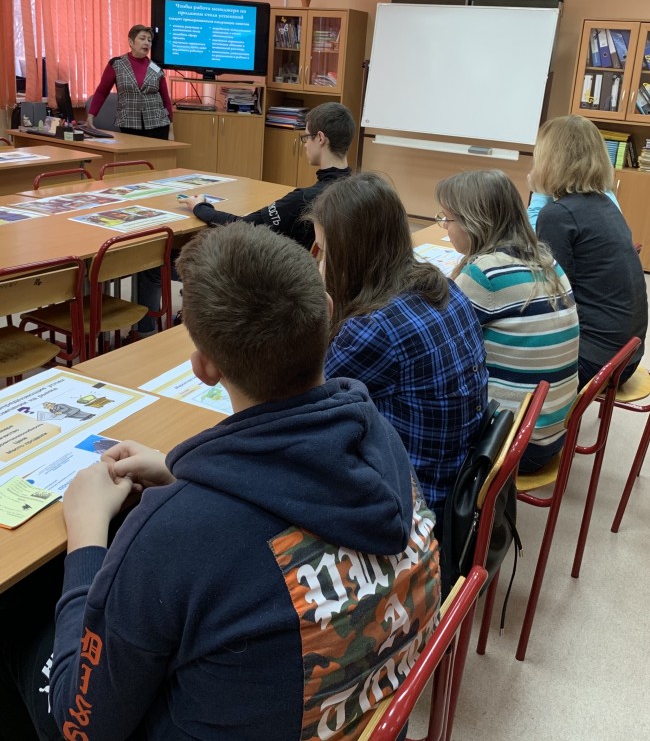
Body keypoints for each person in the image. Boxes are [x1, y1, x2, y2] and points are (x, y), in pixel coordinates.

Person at [0, 223, 440, 741]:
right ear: (326, 313)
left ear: (204, 367)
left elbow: (83, 726)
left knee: (16, 606)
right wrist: (184, 471)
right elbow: (293, 495)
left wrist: (86, 535)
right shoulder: (378, 438)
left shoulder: (171, 535)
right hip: (373, 719)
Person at [307, 171, 488, 530]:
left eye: (324, 251)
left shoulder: (373, 328)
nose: (319, 263)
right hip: (458, 481)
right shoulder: (444, 287)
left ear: (349, 255)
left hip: (414, 503)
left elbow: (304, 404)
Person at [136, 100, 355, 333]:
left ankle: (146, 333)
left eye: (306, 137)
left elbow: (242, 225)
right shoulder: (356, 189)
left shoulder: (304, 199)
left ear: (320, 138)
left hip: (270, 280)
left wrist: (200, 208)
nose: (305, 145)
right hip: (314, 288)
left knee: (154, 266)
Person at [435, 169, 580, 473]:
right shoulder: (546, 260)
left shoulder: (484, 275)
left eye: (448, 219)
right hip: (551, 431)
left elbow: (436, 344)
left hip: (511, 445)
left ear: (474, 223)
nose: (445, 227)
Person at [531, 115, 647, 390]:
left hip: (595, 363)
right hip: (627, 356)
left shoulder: (558, 214)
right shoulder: (605, 204)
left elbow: (552, 300)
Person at [88, 24, 173, 140]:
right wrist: (91, 116)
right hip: (129, 124)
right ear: (131, 42)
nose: (147, 43)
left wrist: (171, 130)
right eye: (142, 38)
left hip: (158, 125)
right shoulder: (116, 64)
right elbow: (101, 92)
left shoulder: (157, 69)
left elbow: (166, 100)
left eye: (149, 40)